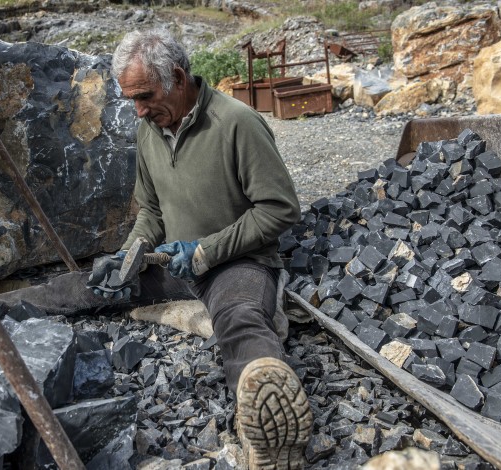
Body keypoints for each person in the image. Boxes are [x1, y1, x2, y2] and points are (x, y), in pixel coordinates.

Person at [99, 28, 314, 469]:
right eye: (131, 100)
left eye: (144, 95)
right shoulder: (149, 130)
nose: (138, 111)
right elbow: (152, 212)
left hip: (237, 263)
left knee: (240, 316)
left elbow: (279, 209)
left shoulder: (236, 122)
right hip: (174, 263)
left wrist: (205, 251)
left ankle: (266, 431)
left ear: (178, 77)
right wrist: (129, 253)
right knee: (82, 287)